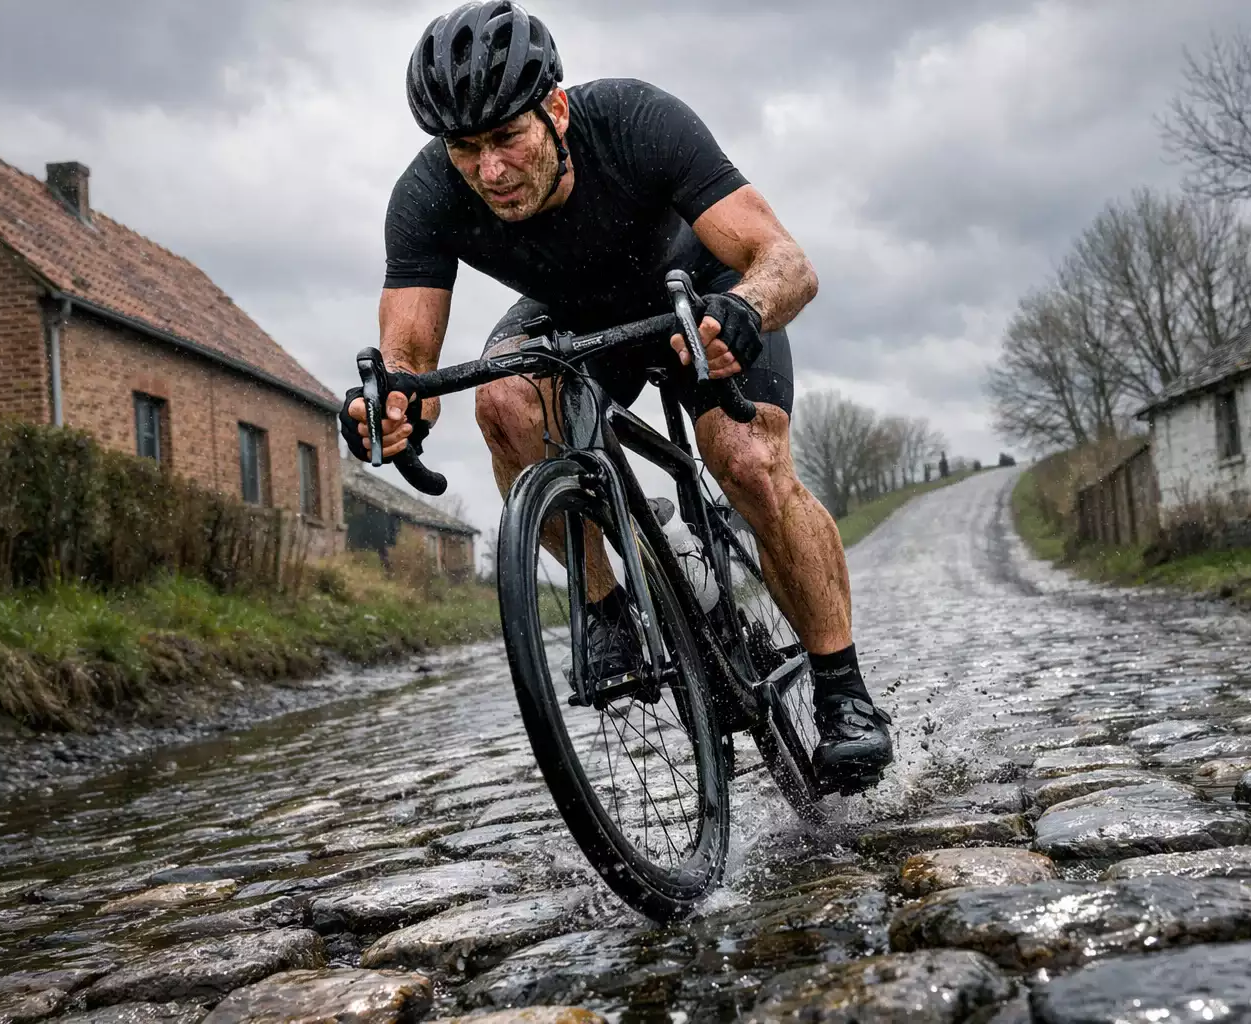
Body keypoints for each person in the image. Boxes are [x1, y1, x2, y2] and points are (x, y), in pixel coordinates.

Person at [341, 0, 891, 791]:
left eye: (507, 138)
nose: (489, 171)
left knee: (747, 460)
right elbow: (411, 363)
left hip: (700, 295)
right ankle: (605, 611)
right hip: (574, 318)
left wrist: (747, 308)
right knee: (500, 401)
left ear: (556, 109)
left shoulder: (634, 121)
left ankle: (843, 691)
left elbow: (785, 261)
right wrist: (388, 414)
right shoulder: (429, 193)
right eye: (466, 148)